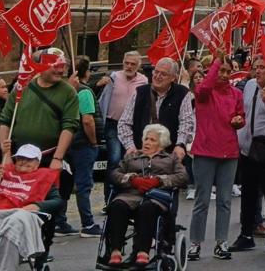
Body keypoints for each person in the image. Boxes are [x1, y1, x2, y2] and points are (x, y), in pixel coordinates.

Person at [0, 47, 79, 260]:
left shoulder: (68, 92)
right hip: (18, 156)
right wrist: (5, 152)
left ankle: (41, 249)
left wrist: (57, 158)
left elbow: (69, 125)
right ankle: (11, 243)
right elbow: (5, 120)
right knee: (11, 198)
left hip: (48, 157)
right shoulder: (21, 86)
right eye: (56, 66)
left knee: (47, 206)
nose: (61, 70)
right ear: (40, 65)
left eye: (63, 66)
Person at [103, 124, 190, 267]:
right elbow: (114, 174)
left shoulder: (170, 159)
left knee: (147, 208)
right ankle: (115, 251)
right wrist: (132, 179)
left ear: (161, 144)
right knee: (117, 206)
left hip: (155, 197)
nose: (147, 142)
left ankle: (143, 251)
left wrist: (159, 180)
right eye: (146, 139)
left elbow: (183, 176)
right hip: (130, 195)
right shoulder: (132, 157)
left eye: (152, 140)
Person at [187, 50, 243, 261]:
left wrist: (239, 120)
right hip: (205, 151)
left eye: (228, 71)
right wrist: (217, 61)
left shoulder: (236, 94)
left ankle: (221, 242)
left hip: (229, 151)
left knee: (225, 200)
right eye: (221, 70)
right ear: (213, 70)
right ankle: (195, 243)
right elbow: (204, 87)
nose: (225, 74)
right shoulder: (205, 91)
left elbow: (241, 116)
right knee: (202, 200)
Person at [230, 55, 265, 254]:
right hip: (248, 151)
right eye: (256, 67)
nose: (258, 71)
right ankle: (246, 235)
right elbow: (245, 111)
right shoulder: (249, 85)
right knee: (248, 195)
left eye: (263, 67)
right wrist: (239, 127)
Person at [117, 57, 194, 171]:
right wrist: (130, 146)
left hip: (169, 156)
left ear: (173, 77)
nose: (157, 76)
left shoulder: (182, 93)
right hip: (140, 154)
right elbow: (124, 123)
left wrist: (180, 145)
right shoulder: (140, 92)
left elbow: (186, 122)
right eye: (156, 72)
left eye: (163, 74)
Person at [0, 143, 65, 270]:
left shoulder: (43, 177)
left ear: (37, 163)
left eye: (29, 159)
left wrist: (37, 205)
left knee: (16, 221)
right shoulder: (4, 172)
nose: (23, 161)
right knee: (11, 223)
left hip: (22, 215)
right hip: (1, 214)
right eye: (20, 158)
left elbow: (58, 201)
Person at [57, 54, 101, 238]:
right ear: (86, 72)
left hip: (66, 144)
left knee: (65, 185)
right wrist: (93, 141)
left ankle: (60, 222)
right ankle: (88, 224)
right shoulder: (84, 92)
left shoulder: (63, 91)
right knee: (84, 184)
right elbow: (88, 120)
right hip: (82, 145)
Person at [98, 51, 147, 200]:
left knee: (132, 160)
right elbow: (100, 97)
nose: (129, 66)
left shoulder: (144, 81)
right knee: (114, 159)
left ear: (138, 66)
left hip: (133, 126)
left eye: (133, 64)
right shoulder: (113, 77)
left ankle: (128, 195)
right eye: (127, 63)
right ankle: (109, 198)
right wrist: (98, 84)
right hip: (113, 124)